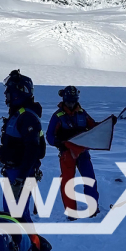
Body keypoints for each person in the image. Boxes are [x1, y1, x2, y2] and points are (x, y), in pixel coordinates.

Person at [0, 70, 46, 222]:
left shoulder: (27, 117)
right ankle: (16, 244)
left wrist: (20, 179)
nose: (6, 95)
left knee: (18, 216)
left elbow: (33, 149)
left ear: (19, 93)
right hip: (15, 171)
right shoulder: (18, 114)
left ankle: (27, 245)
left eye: (9, 92)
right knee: (12, 215)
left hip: (20, 173)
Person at [46, 86, 100, 218]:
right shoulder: (57, 116)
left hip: (83, 152)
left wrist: (107, 125)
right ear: (64, 100)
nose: (71, 104)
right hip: (67, 154)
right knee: (68, 182)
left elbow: (94, 127)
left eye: (73, 101)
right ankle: (71, 212)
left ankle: (93, 209)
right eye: (69, 101)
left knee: (90, 179)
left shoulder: (82, 113)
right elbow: (49, 136)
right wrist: (59, 143)